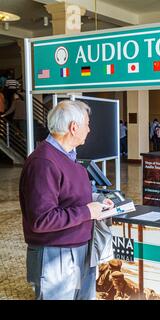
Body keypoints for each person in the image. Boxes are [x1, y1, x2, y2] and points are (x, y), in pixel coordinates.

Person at [20, 100, 114, 300]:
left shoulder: (69, 158)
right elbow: (42, 219)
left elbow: (70, 196)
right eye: (87, 124)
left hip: (80, 249)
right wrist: (88, 212)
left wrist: (98, 200)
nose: (89, 129)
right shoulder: (43, 162)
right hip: (57, 255)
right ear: (74, 127)